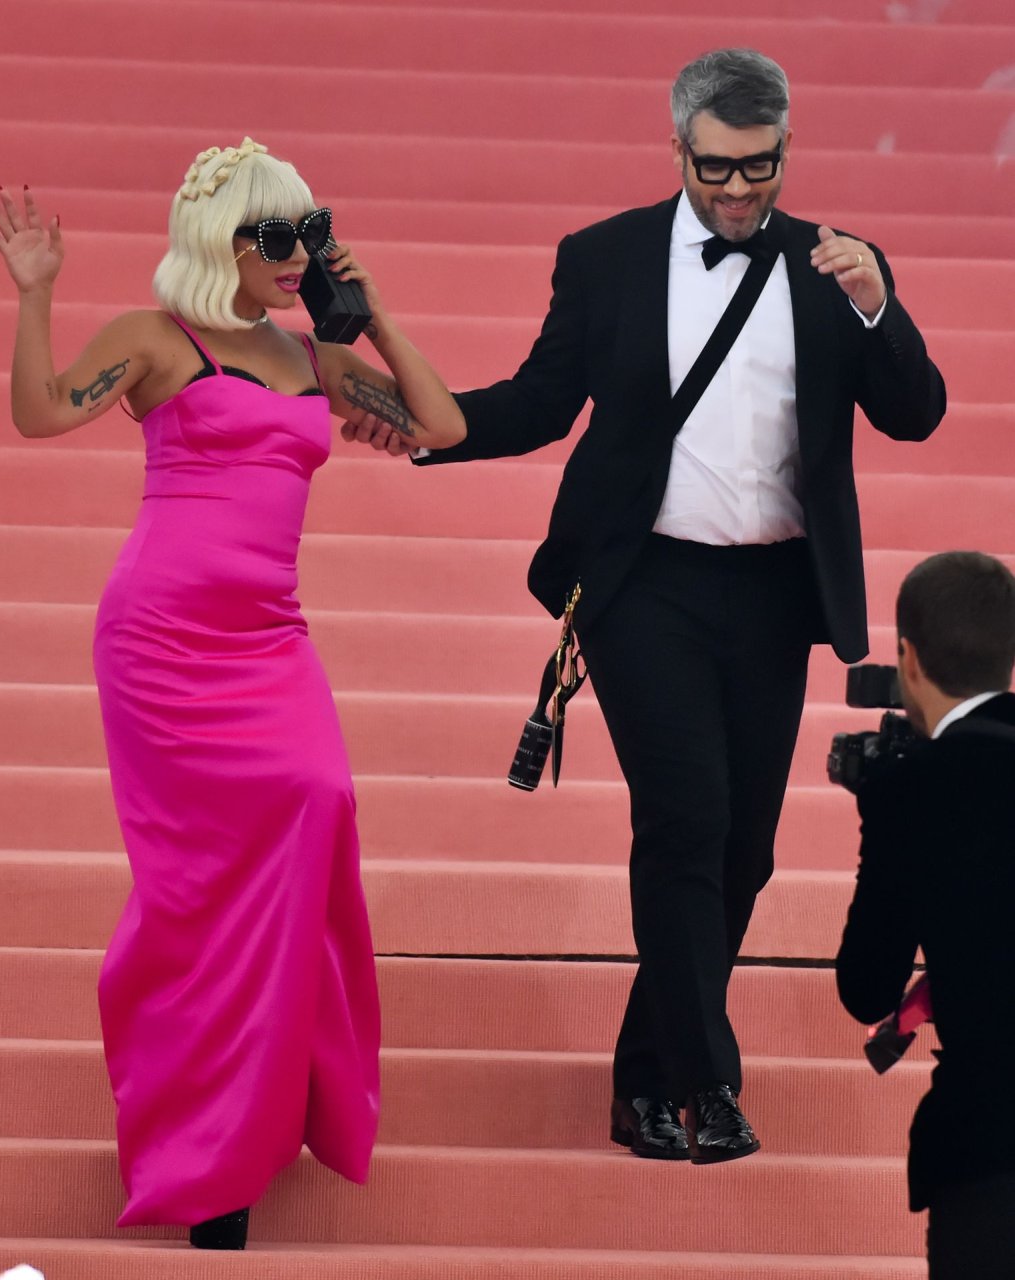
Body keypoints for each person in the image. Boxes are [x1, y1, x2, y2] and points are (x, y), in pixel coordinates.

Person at [343, 49, 946, 1162]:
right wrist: (421, 424)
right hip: (641, 585)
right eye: (715, 167)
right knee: (683, 819)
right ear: (677, 148)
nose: (737, 189)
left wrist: (876, 306)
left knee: (743, 851)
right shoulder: (607, 258)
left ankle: (642, 1078)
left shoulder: (834, 267)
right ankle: (707, 1083)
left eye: (757, 166)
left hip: (774, 593)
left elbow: (915, 413)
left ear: (784, 149)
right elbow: (538, 404)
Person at [0, 137, 466, 1249]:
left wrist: (371, 315)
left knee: (319, 801)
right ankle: (213, 1161)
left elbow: (441, 428)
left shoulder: (310, 356)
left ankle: (256, 1114)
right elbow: (41, 412)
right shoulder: (156, 338)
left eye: (310, 231)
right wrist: (36, 292)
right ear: (219, 240)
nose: (298, 254)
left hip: (269, 641)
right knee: (197, 893)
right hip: (161, 645)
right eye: (276, 235)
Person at [836, 551, 1015, 1278]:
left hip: (989, 1144)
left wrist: (880, 819)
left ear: (907, 658)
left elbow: (866, 988)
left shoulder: (912, 791)